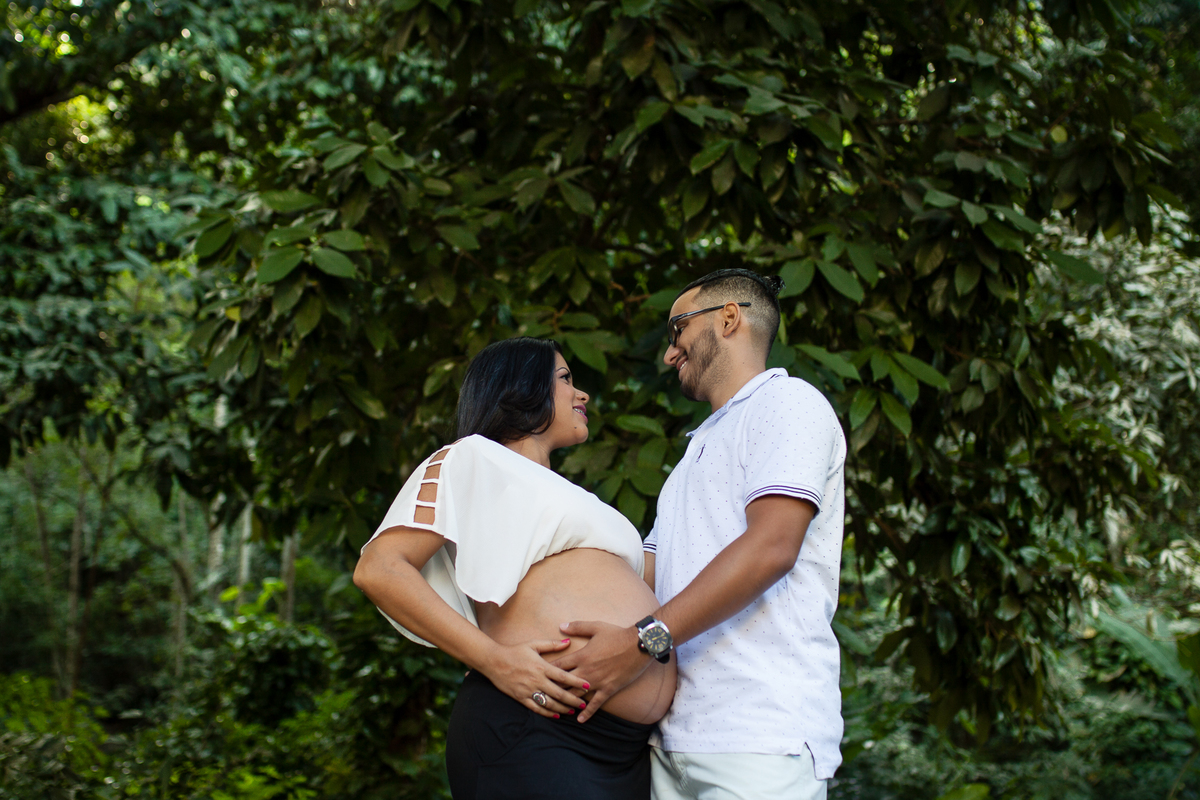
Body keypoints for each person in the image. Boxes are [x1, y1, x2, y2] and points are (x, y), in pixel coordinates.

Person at [555, 269, 846, 800]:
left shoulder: (788, 403)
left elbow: (771, 549)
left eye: (677, 331)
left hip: (759, 738)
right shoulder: (697, 450)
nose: (670, 354)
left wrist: (642, 642)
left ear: (729, 318)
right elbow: (642, 573)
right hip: (672, 744)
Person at [353, 337, 676, 800]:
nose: (581, 394)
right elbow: (379, 568)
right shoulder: (471, 458)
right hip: (536, 728)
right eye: (565, 379)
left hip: (625, 748)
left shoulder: (579, 500)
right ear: (520, 388)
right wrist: (494, 661)